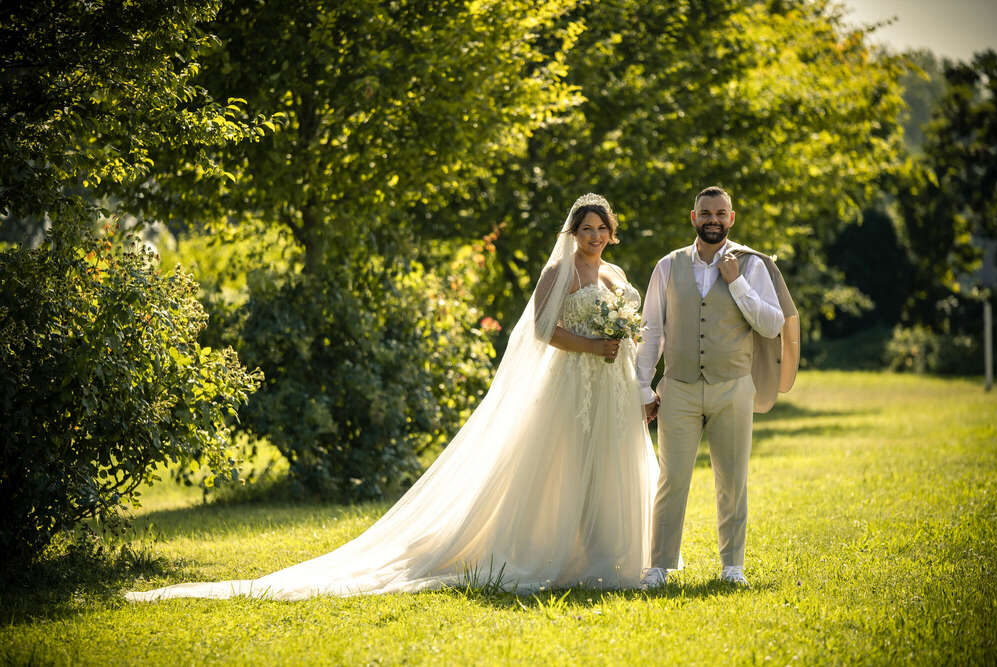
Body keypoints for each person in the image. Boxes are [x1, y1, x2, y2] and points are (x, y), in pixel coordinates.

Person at [126, 193, 659, 601]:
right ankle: (551, 554)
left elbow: (631, 329)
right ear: (573, 233)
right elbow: (543, 332)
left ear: (612, 234)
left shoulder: (613, 274)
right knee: (561, 469)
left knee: (607, 466)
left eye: (600, 229)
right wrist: (592, 344)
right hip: (570, 386)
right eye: (584, 229)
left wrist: (628, 362)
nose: (593, 236)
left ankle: (605, 558)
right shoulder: (557, 273)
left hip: (611, 388)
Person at [636, 186, 798, 589]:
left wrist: (737, 283)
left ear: (732, 218)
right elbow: (651, 329)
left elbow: (773, 324)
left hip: (733, 386)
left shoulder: (752, 266)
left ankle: (732, 567)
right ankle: (658, 566)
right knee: (671, 478)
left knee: (732, 479)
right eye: (705, 213)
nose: (713, 219)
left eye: (720, 213)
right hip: (679, 386)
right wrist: (642, 386)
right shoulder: (668, 266)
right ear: (693, 218)